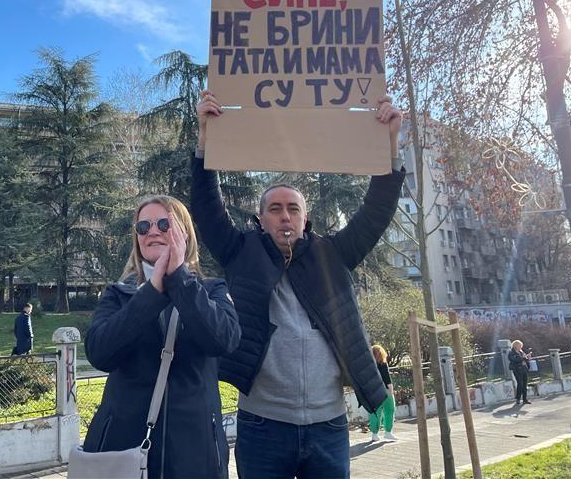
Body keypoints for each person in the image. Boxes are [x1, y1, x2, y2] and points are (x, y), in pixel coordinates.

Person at [192, 89, 405, 479]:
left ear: (305, 220)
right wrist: (206, 139)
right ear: (260, 219)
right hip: (262, 425)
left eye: (293, 209)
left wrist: (389, 143)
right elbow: (207, 208)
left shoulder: (334, 254)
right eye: (275, 208)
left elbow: (376, 211)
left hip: (329, 428)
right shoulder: (240, 252)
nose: (285, 216)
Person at [83, 196, 241, 479]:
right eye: (143, 226)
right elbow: (99, 352)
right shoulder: (118, 294)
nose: (152, 231)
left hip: (194, 455)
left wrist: (179, 279)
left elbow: (224, 340)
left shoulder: (213, 289)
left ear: (184, 233)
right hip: (123, 451)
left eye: (164, 223)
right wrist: (153, 292)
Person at [368, 345, 397, 442]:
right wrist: (391, 391)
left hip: (373, 391)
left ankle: (374, 434)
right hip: (385, 390)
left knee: (375, 413)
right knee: (390, 410)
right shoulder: (383, 364)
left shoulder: (369, 365)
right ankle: (388, 432)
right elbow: (387, 378)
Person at [508, 339, 532, 405]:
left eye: (521, 346)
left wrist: (528, 358)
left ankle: (525, 399)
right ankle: (518, 399)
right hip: (517, 370)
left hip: (524, 369)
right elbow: (515, 359)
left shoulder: (521, 352)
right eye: (519, 345)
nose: (520, 347)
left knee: (525, 385)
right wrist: (524, 358)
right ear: (516, 346)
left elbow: (525, 359)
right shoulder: (511, 352)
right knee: (520, 384)